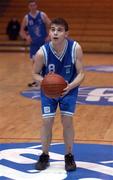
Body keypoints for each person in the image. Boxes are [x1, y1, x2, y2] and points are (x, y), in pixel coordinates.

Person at [33, 18, 85, 171]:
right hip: (49, 91)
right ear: (49, 32)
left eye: (59, 30)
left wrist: (70, 86)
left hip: (69, 89)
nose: (55, 33)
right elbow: (35, 74)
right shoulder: (41, 52)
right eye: (53, 29)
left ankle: (69, 155)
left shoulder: (75, 48)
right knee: (47, 122)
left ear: (66, 34)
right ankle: (44, 154)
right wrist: (46, 82)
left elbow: (82, 73)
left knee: (67, 120)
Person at [20, 0, 51, 87]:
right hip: (33, 44)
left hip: (43, 43)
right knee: (34, 63)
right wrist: (26, 37)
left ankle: (47, 79)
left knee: (45, 62)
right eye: (31, 5)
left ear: (36, 6)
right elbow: (21, 31)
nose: (33, 7)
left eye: (34, 5)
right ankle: (36, 81)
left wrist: (49, 36)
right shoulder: (26, 17)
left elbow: (51, 25)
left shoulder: (42, 15)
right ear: (28, 7)